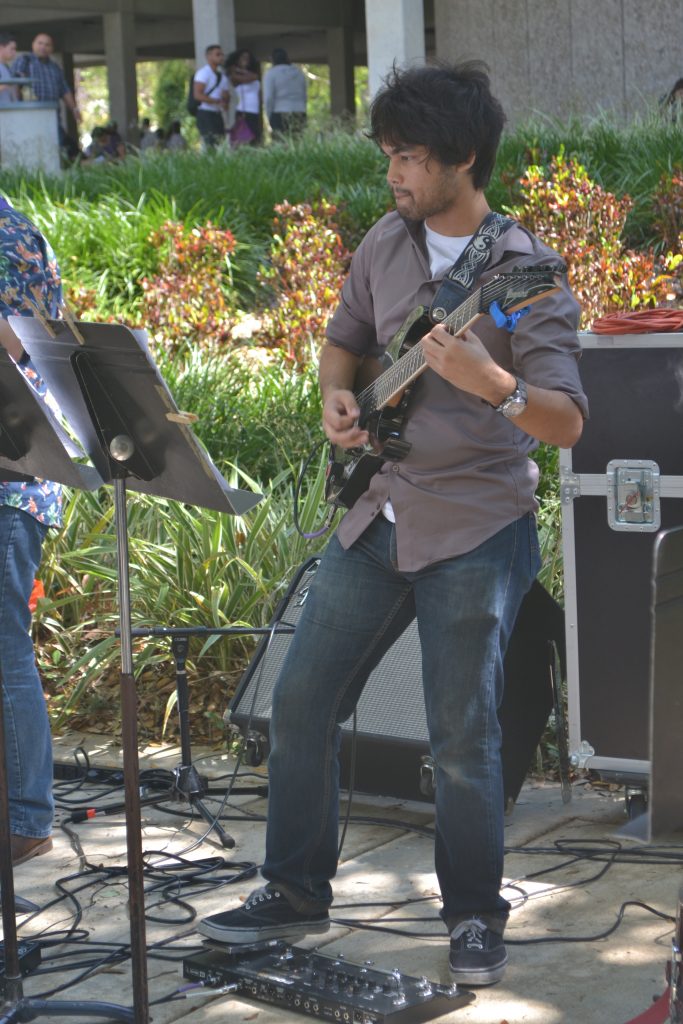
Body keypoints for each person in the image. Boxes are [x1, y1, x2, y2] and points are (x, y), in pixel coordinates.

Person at [198, 61, 587, 987]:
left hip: (475, 526)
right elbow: (347, 340)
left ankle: (471, 918)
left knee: (463, 737)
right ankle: (293, 889)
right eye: (387, 159)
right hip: (376, 509)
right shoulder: (384, 240)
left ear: (461, 158)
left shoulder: (523, 272)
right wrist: (338, 398)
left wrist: (488, 384)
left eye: (408, 158)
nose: (394, 177)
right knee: (298, 705)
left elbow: (566, 422)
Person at [0, 192, 63, 866]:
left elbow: (17, 343)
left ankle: (25, 817)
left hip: (13, 476)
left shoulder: (12, 238)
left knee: (2, 645)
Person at [11, 32, 81, 158]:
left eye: (47, 45)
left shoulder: (54, 67)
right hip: (30, 115)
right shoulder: (25, 61)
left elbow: (64, 90)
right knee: (32, 148)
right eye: (40, 43)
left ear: (51, 49)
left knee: (59, 147)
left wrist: (74, 109)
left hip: (52, 116)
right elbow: (16, 84)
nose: (43, 47)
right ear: (33, 45)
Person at [263, 47, 307, 138]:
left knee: (280, 143)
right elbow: (304, 94)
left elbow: (268, 97)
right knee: (297, 142)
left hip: (279, 112)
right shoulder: (299, 73)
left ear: (272, 59)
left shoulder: (271, 74)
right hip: (299, 111)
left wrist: (269, 114)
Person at [193, 44, 230, 148]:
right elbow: (197, 95)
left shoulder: (222, 76)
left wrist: (225, 99)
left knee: (220, 142)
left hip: (218, 114)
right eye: (218, 54)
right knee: (209, 142)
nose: (221, 57)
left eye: (222, 54)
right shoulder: (203, 73)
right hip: (205, 113)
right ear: (209, 57)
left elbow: (226, 97)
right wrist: (216, 101)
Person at [225, 48, 262, 144]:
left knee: (255, 138)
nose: (245, 60)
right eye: (242, 58)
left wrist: (239, 69)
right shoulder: (234, 76)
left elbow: (255, 77)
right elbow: (248, 78)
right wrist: (237, 70)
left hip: (255, 111)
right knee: (243, 139)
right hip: (243, 111)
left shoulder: (252, 74)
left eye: (247, 58)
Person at [0, 31, 18, 106]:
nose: (14, 52)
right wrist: (7, 85)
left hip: (9, 112)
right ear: (1, 47)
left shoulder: (7, 68)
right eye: (12, 49)